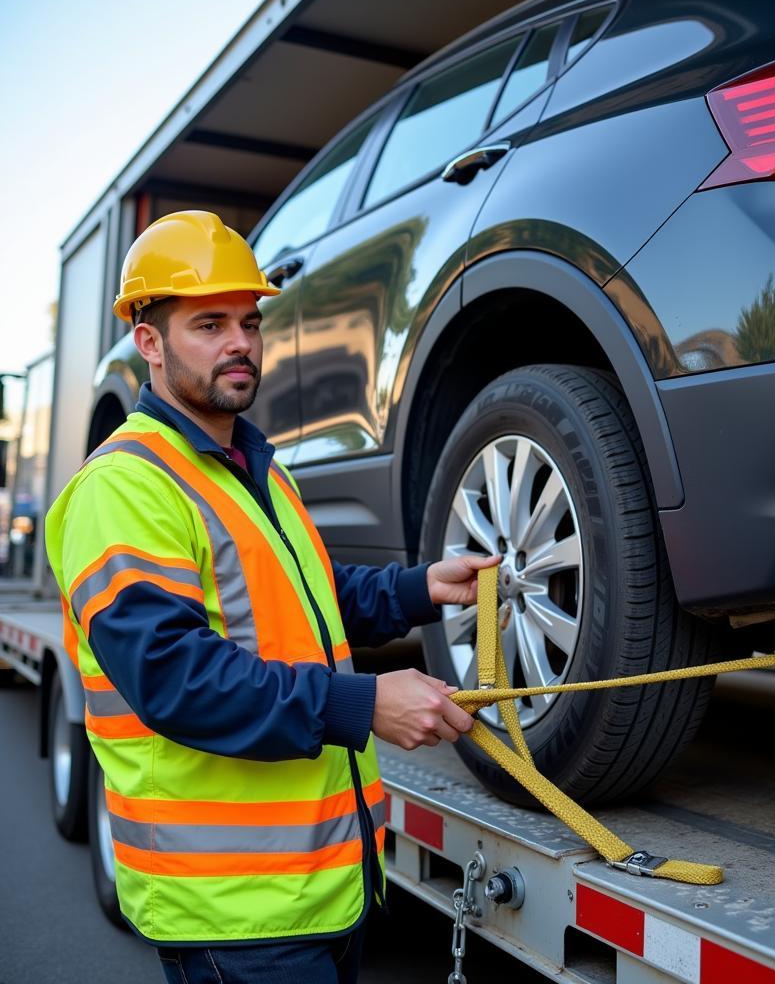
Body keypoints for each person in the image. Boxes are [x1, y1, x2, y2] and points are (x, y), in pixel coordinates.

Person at [44, 210, 498, 984]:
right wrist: (362, 704)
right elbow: (175, 679)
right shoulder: (124, 485)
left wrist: (419, 588)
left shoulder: (254, 469)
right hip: (234, 912)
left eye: (249, 323)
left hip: (322, 889)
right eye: (209, 324)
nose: (240, 344)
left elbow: (308, 600)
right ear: (149, 343)